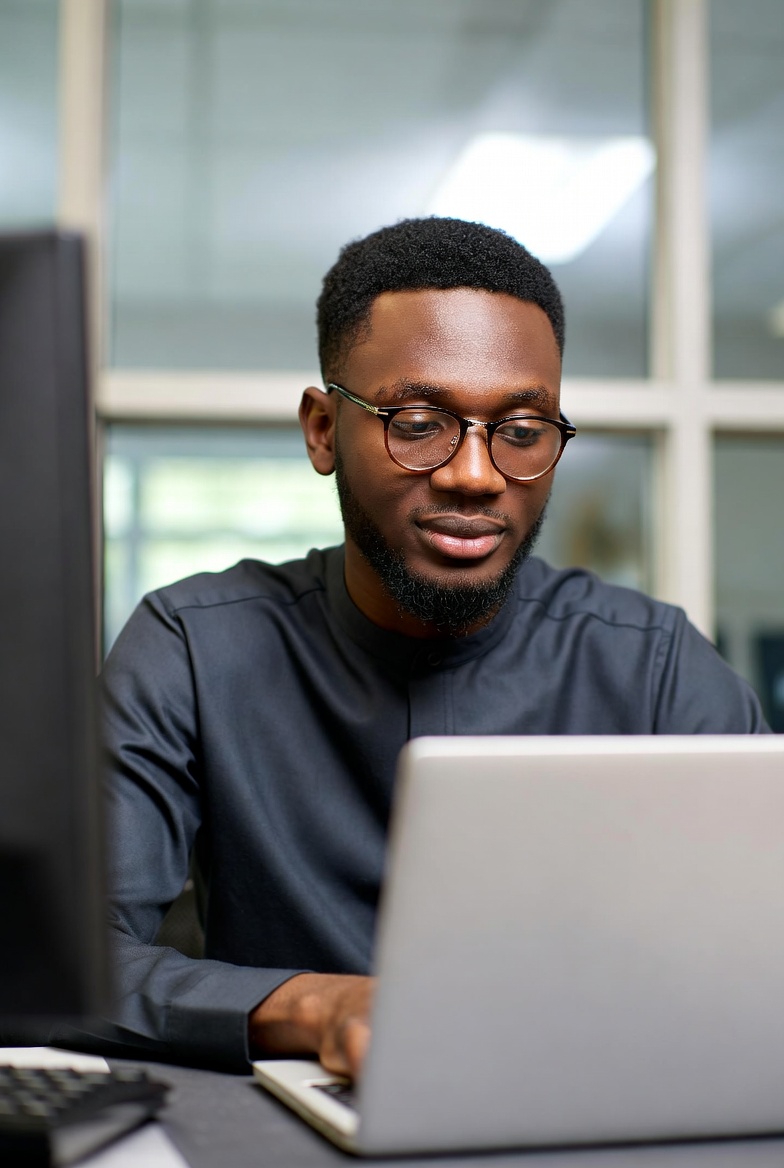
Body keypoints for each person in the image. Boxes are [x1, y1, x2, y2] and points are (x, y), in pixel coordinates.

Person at [90, 217, 769, 1077]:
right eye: (417, 421)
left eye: (521, 429)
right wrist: (313, 1007)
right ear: (323, 429)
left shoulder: (654, 667)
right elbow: (67, 959)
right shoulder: (193, 647)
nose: (474, 475)